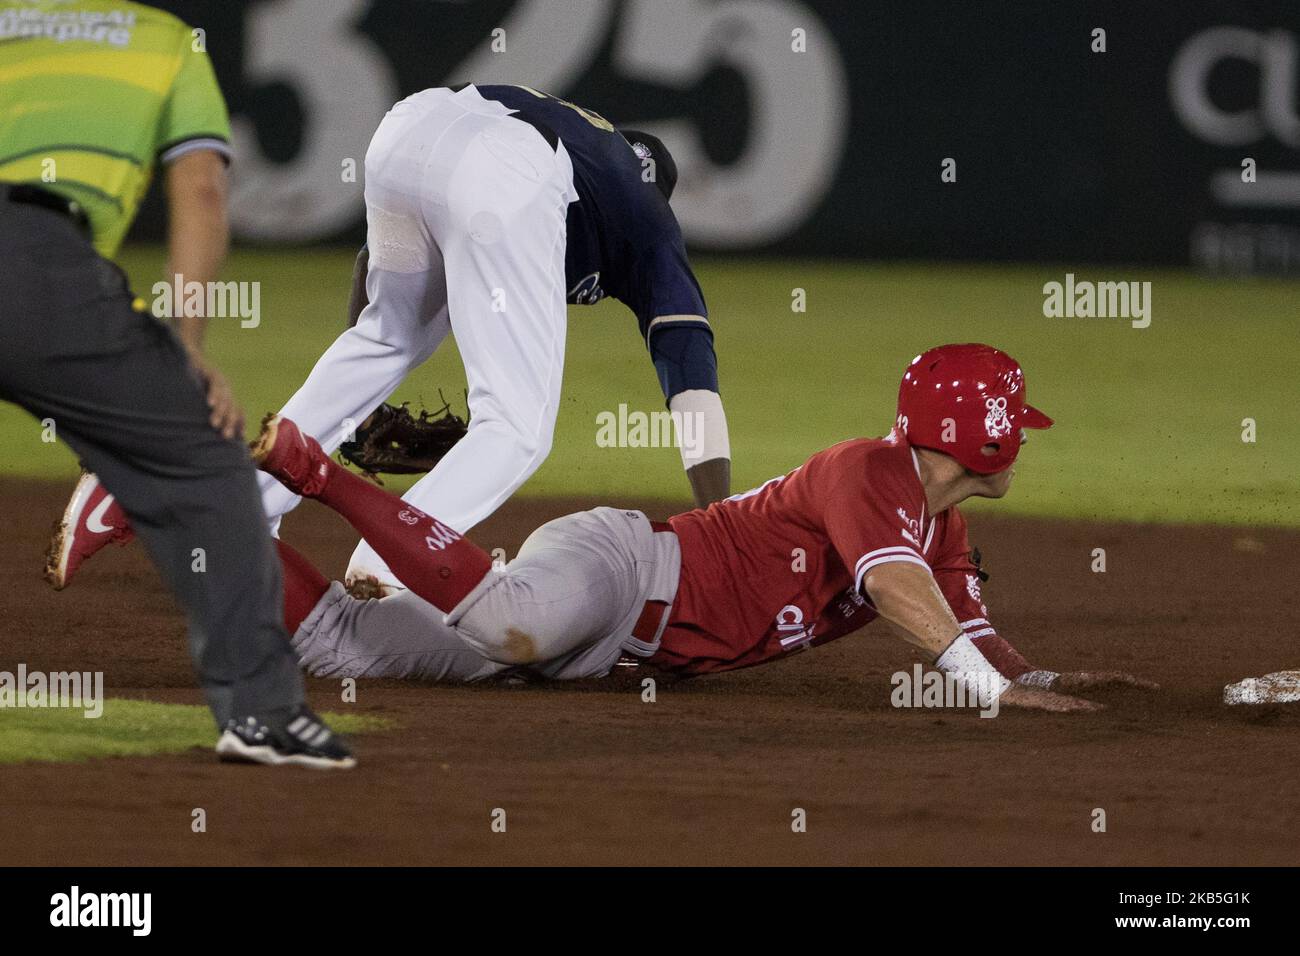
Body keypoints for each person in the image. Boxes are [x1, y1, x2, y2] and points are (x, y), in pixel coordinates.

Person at [66, 82, 733, 599]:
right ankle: (384, 568)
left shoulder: (590, 153)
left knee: (385, 337)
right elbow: (689, 368)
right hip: (504, 168)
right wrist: (723, 524)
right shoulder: (648, 220)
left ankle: (232, 510)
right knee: (518, 429)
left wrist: (360, 412)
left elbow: (373, 282)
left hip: (409, 131)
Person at [251, 344, 1153, 708]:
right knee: (505, 620)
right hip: (618, 570)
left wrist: (1032, 678)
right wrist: (984, 687)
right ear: (980, 438)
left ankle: (200, 513)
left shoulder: (938, 523)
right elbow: (889, 584)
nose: (1021, 440)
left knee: (342, 647)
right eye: (1013, 425)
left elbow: (972, 632)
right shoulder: (870, 471)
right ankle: (311, 469)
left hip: (611, 653)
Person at [2, 0, 352, 767]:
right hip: (38, 269)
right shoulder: (160, 38)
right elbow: (199, 188)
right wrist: (187, 349)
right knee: (200, 460)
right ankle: (260, 714)